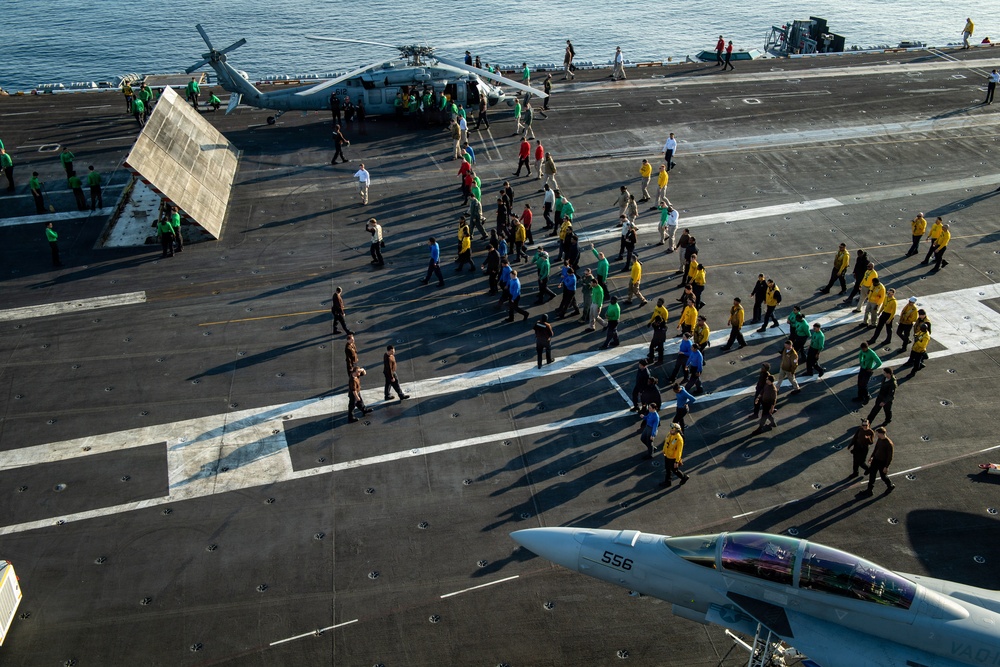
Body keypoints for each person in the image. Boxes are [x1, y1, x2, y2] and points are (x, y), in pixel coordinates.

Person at [860, 427, 895, 496]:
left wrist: (886, 466)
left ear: (882, 434)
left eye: (878, 434)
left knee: (883, 476)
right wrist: (872, 457)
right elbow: (876, 448)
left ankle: (890, 485)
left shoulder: (889, 444)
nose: (877, 435)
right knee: (872, 475)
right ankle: (869, 490)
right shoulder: (880, 439)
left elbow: (890, 457)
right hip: (875, 460)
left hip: (882, 462)